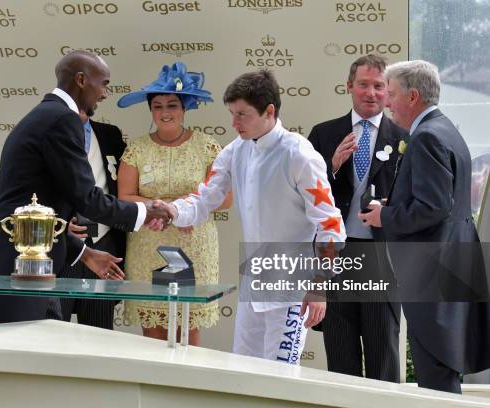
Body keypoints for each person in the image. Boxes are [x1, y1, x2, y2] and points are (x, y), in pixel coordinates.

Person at [0, 50, 170, 325]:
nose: (105, 94)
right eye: (104, 84)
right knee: (20, 355)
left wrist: (83, 252)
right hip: (22, 262)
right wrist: (145, 211)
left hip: (21, 255)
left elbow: (41, 207)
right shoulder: (63, 119)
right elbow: (87, 198)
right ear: (81, 80)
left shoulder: (47, 114)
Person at [160, 69, 346, 364]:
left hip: (291, 284)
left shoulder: (300, 155)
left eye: (242, 115)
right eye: (232, 114)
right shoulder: (235, 150)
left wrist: (320, 284)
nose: (233, 123)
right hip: (254, 279)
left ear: (269, 111)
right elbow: (205, 198)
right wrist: (172, 211)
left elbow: (330, 224)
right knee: (243, 370)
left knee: (281, 375)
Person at [359, 59, 490, 393]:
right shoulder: (445, 129)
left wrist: (383, 217)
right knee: (442, 370)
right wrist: (396, 206)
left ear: (412, 96)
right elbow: (441, 203)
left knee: (437, 378)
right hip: (451, 264)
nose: (386, 103)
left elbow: (433, 208)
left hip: (433, 272)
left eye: (391, 94)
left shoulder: (426, 137)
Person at [116, 62, 231, 345]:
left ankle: (188, 388)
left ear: (184, 108)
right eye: (158, 106)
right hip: (148, 243)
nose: (165, 113)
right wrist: (162, 207)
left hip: (193, 244)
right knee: (152, 327)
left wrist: (180, 212)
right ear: (151, 110)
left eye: (172, 105)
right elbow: (125, 197)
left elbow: (224, 199)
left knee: (188, 326)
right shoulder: (136, 149)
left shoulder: (207, 146)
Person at [308, 54, 404, 382]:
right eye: (363, 84)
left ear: (389, 91)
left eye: (379, 86)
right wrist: (331, 166)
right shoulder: (323, 134)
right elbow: (307, 196)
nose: (371, 92)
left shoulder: (405, 137)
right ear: (349, 86)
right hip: (335, 255)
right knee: (340, 353)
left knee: (383, 353)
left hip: (382, 257)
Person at [61, 111, 128, 329]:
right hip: (64, 247)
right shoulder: (50, 133)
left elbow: (121, 187)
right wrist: (59, 222)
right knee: (52, 328)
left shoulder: (110, 135)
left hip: (104, 243)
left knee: (100, 334)